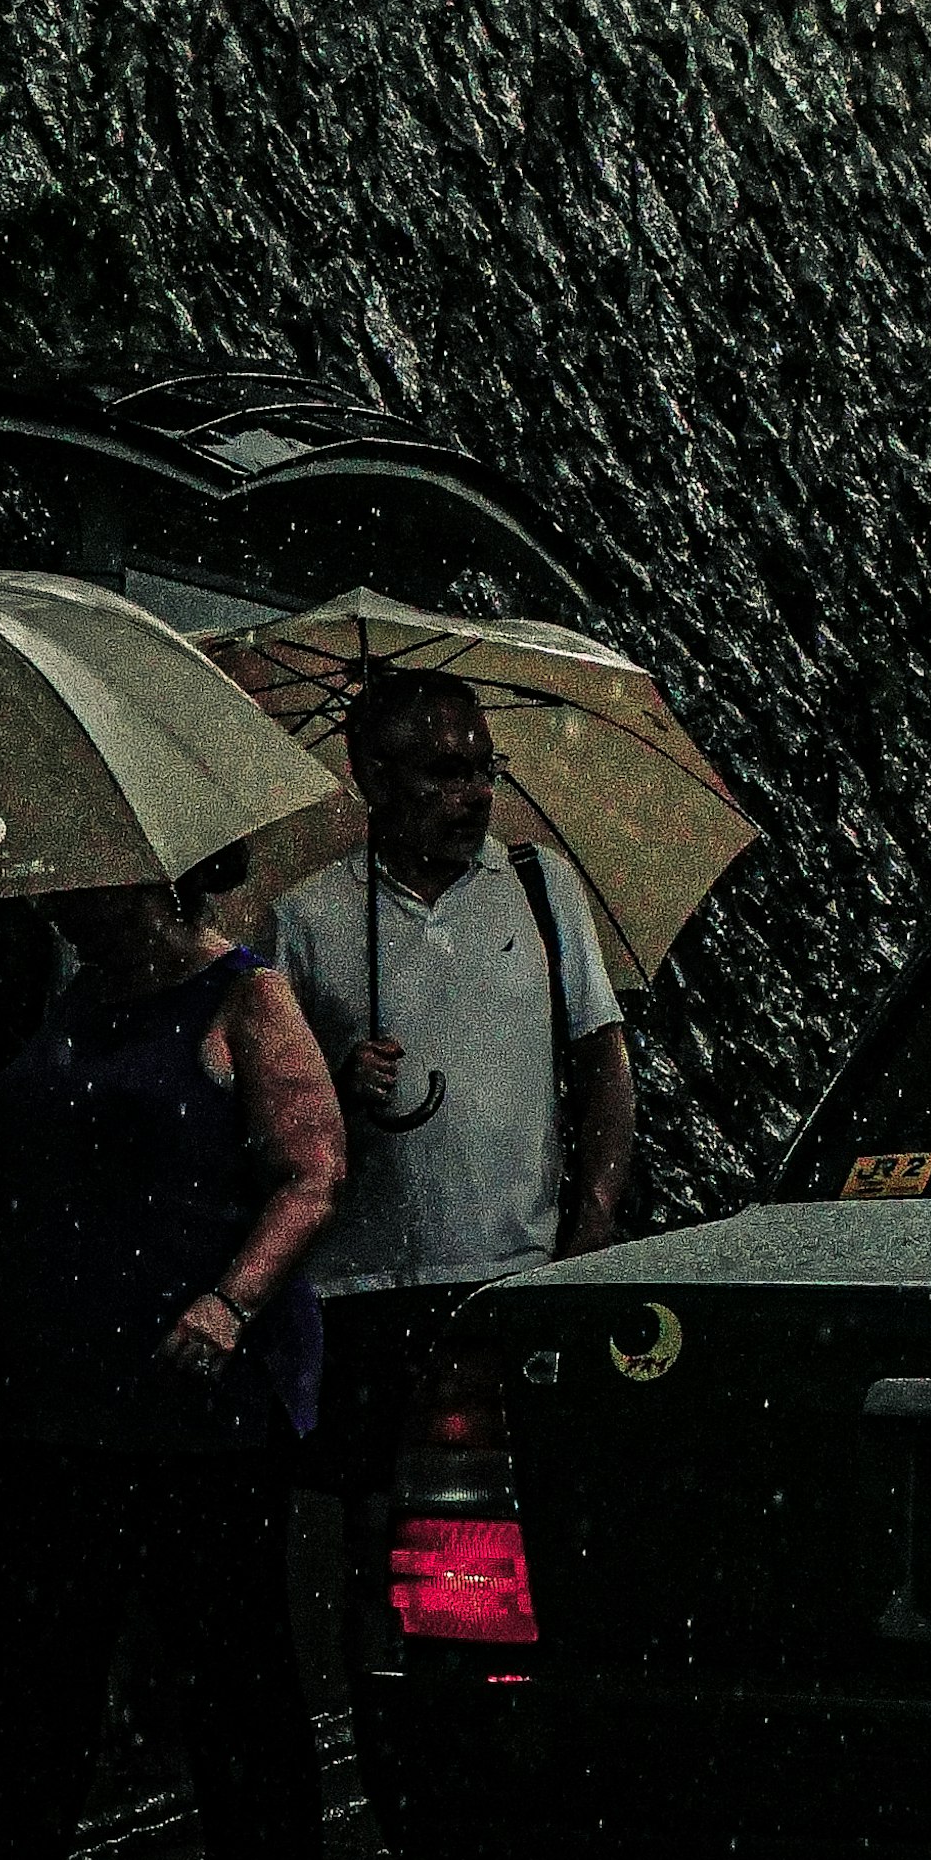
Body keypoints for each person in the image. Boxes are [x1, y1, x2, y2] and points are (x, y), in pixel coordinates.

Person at [0, 850, 347, 1860]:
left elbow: (311, 1171)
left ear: (155, 878)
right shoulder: (68, 1004)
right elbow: (53, 1158)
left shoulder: (246, 997)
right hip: (62, 1395)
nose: (54, 899)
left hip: (196, 1402)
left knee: (228, 1662)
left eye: (82, 880)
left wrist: (231, 1300)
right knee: (44, 1668)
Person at [268, 672, 635, 1648]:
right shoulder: (306, 920)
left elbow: (606, 1066)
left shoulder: (540, 887)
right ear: (372, 776)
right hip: (362, 1289)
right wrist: (335, 1090)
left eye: (484, 768)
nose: (474, 794)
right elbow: (270, 1124)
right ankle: (388, 1731)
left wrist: (585, 1237)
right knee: (378, 1547)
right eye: (443, 770)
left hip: (509, 1281)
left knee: (514, 1545)